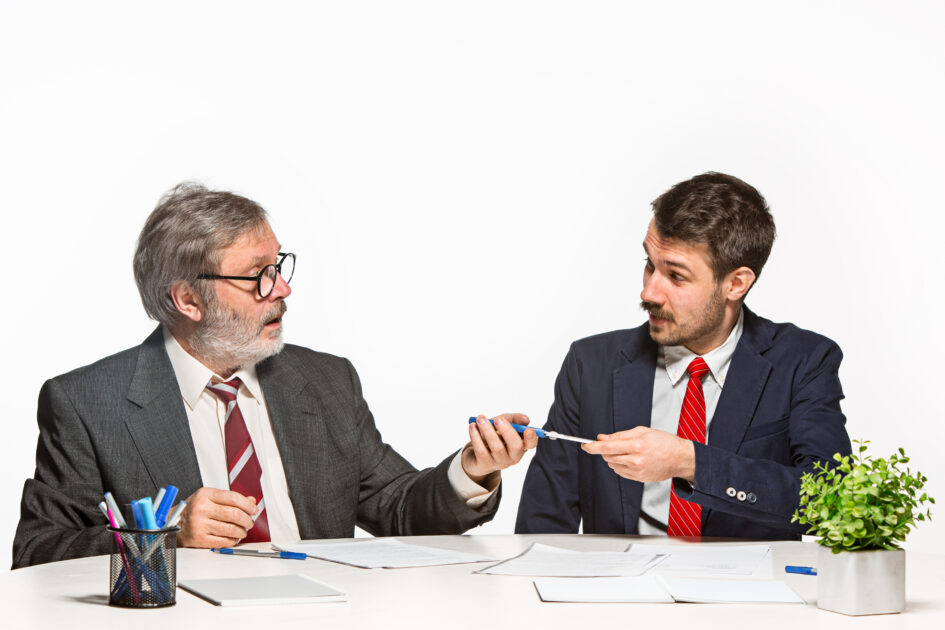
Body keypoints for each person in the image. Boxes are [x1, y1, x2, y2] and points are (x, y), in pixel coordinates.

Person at [13, 183, 537, 569]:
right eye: (258, 276)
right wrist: (166, 534)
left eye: (279, 267)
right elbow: (38, 553)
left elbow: (398, 511)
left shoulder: (327, 381)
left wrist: (471, 469)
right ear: (188, 299)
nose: (281, 289)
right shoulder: (85, 402)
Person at [515, 172, 852, 539]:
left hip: (747, 595)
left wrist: (690, 462)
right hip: (616, 593)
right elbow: (542, 528)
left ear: (736, 284)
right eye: (650, 264)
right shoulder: (590, 364)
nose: (649, 292)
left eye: (675, 276)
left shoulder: (803, 361)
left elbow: (830, 501)